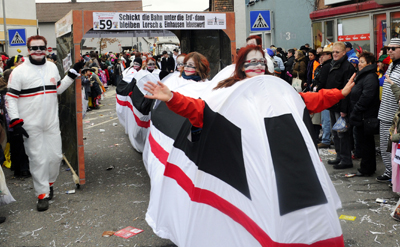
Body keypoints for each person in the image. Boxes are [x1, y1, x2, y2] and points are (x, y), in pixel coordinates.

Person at [143, 45, 353, 246]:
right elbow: (200, 110)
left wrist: (340, 93)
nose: (257, 66)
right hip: (250, 170)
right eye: (251, 62)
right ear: (241, 66)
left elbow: (308, 100)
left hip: (292, 167)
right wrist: (171, 98)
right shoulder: (229, 94)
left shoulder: (280, 91)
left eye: (261, 61)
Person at [5, 35, 84, 211]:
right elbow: (10, 98)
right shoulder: (19, 72)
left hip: (51, 123)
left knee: (55, 157)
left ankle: (49, 184)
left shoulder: (52, 67)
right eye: (34, 48)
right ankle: (42, 194)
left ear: (47, 48)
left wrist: (73, 72)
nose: (38, 51)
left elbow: (57, 89)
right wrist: (16, 121)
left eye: (41, 47)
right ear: (28, 50)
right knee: (38, 160)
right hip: (30, 125)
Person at [326, 42, 356, 170]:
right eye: (333, 52)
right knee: (335, 132)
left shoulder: (347, 67)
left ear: (344, 52)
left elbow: (347, 90)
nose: (334, 54)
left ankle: (345, 159)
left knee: (342, 133)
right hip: (333, 103)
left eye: (337, 52)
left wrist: (344, 110)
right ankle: (339, 156)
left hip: (341, 105)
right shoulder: (334, 64)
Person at [349, 51, 380, 176]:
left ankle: (367, 169)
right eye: (359, 61)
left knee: (367, 144)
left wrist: (357, 109)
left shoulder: (370, 77)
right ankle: (366, 167)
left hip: (365, 116)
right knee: (363, 143)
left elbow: (367, 96)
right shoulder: (362, 75)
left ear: (370, 63)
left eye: (362, 62)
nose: (359, 64)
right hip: (361, 114)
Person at [378, 38, 400, 183]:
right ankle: (389, 172)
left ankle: (395, 176)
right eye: (388, 48)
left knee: (394, 148)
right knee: (384, 146)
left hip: (395, 117)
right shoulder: (392, 65)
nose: (389, 51)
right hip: (384, 113)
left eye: (393, 48)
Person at [314, 44, 333, 149]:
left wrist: (317, 88)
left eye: (324, 54)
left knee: (326, 119)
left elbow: (322, 80)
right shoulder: (329, 65)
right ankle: (329, 138)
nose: (321, 57)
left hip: (325, 93)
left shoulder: (326, 66)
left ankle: (326, 139)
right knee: (328, 118)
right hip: (328, 93)